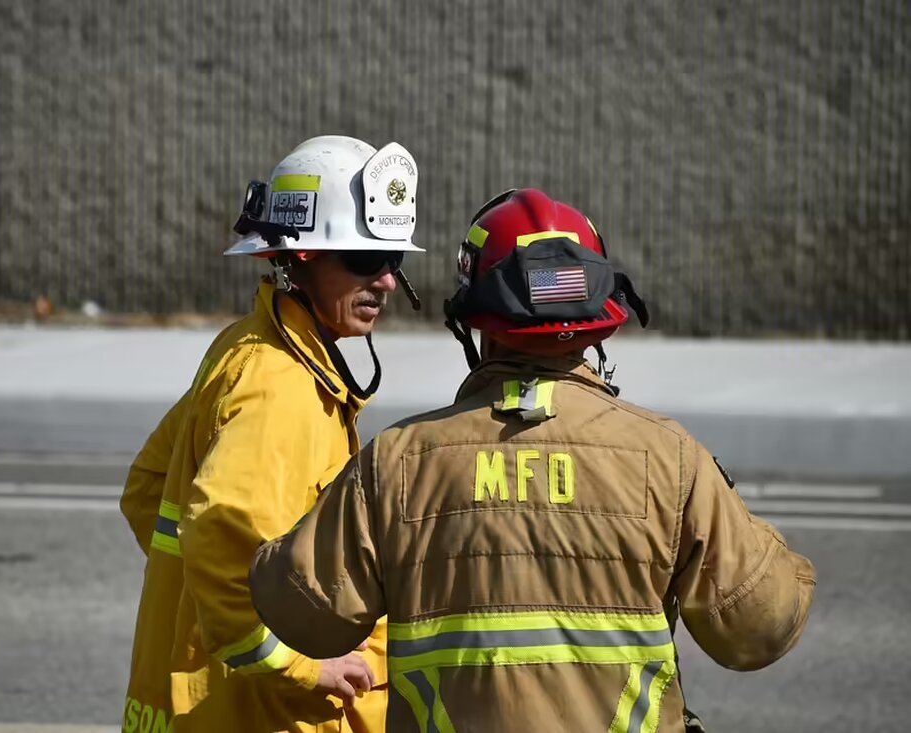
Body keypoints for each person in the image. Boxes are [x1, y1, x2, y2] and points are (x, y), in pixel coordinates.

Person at [250, 188, 816, 732]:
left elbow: (303, 616)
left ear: (472, 318)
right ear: (604, 312)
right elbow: (758, 630)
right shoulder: (670, 459)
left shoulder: (396, 464)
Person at [120, 135, 424, 733]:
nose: (387, 281)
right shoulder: (278, 384)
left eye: (395, 260)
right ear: (302, 257)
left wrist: (199, 608)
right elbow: (215, 528)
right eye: (366, 259)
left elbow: (148, 492)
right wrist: (292, 664)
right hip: (254, 715)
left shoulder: (246, 346)